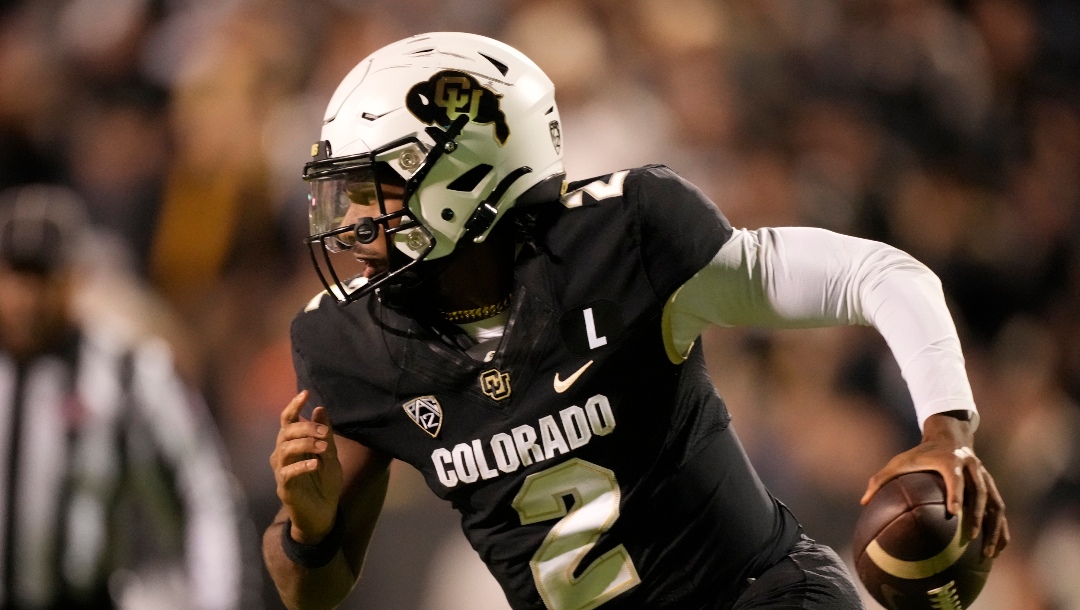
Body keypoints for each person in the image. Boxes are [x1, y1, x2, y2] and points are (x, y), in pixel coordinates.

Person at [264, 32, 1009, 609]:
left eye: (374, 190)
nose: (352, 222)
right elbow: (312, 592)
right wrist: (308, 528)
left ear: (463, 173)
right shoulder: (348, 344)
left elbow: (877, 274)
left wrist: (948, 431)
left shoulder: (625, 237)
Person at [0, 184, 247, 609]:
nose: (27, 298)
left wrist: (219, 599)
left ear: (75, 277)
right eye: (15, 275)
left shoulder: (130, 372)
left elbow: (205, 494)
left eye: (42, 276)